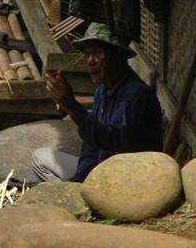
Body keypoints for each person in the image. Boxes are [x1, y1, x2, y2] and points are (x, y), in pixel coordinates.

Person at [32, 22, 163, 183]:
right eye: (87, 54)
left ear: (119, 56)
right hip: (99, 174)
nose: (90, 61)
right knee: (41, 157)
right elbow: (91, 146)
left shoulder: (135, 94)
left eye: (97, 53)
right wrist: (78, 182)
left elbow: (110, 141)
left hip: (127, 180)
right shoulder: (102, 91)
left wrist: (72, 107)